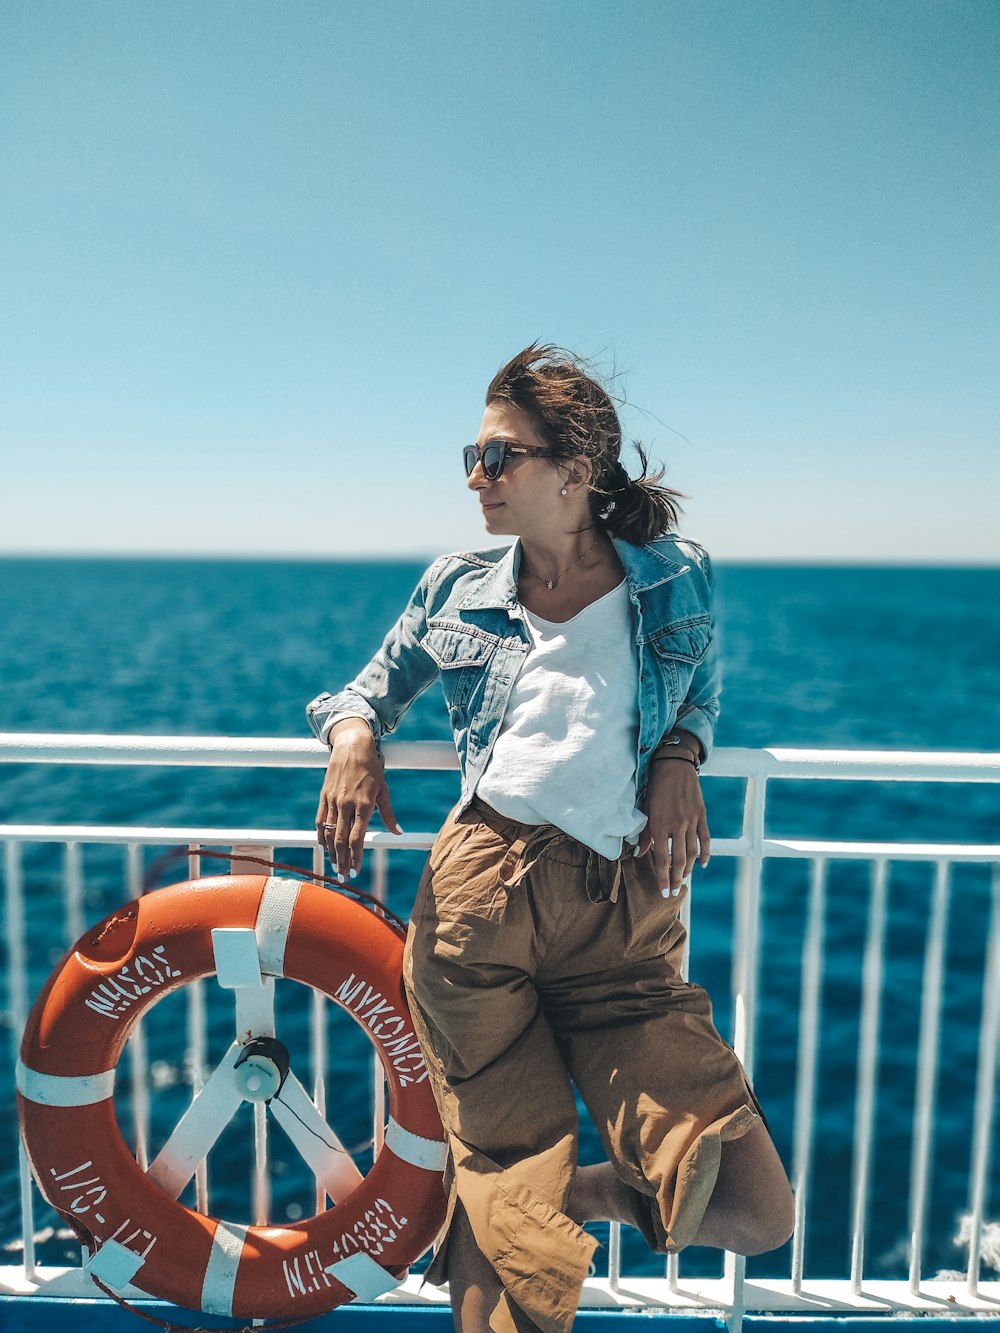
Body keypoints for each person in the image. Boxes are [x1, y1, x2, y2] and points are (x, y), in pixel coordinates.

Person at [307, 345, 794, 1333]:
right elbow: (363, 690)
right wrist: (354, 737)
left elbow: (697, 690)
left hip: (624, 925)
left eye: (500, 456)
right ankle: (505, 1202)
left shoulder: (676, 578)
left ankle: (572, 1194)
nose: (476, 477)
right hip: (475, 913)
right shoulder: (456, 584)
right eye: (474, 456)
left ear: (574, 473)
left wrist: (680, 760)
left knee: (753, 1207)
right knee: (508, 1244)